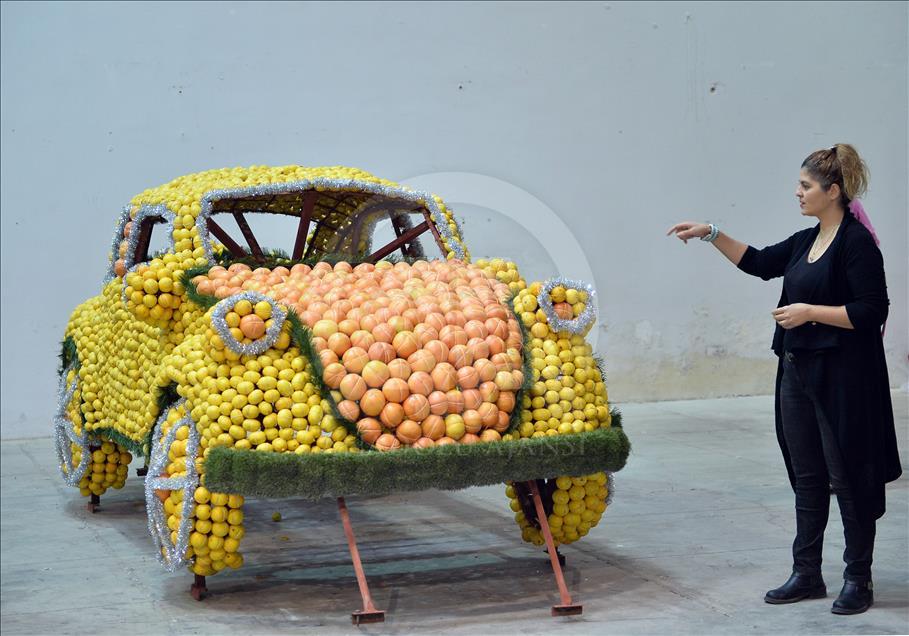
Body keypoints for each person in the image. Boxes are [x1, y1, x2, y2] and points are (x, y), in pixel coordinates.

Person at [666, 144, 901, 615]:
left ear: (833, 191)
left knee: (848, 477)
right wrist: (711, 233)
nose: (797, 192)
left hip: (842, 382)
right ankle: (807, 572)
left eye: (806, 186)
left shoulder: (855, 245)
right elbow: (758, 262)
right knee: (808, 475)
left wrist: (809, 311)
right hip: (796, 372)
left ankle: (859, 577)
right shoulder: (805, 240)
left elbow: (873, 309)